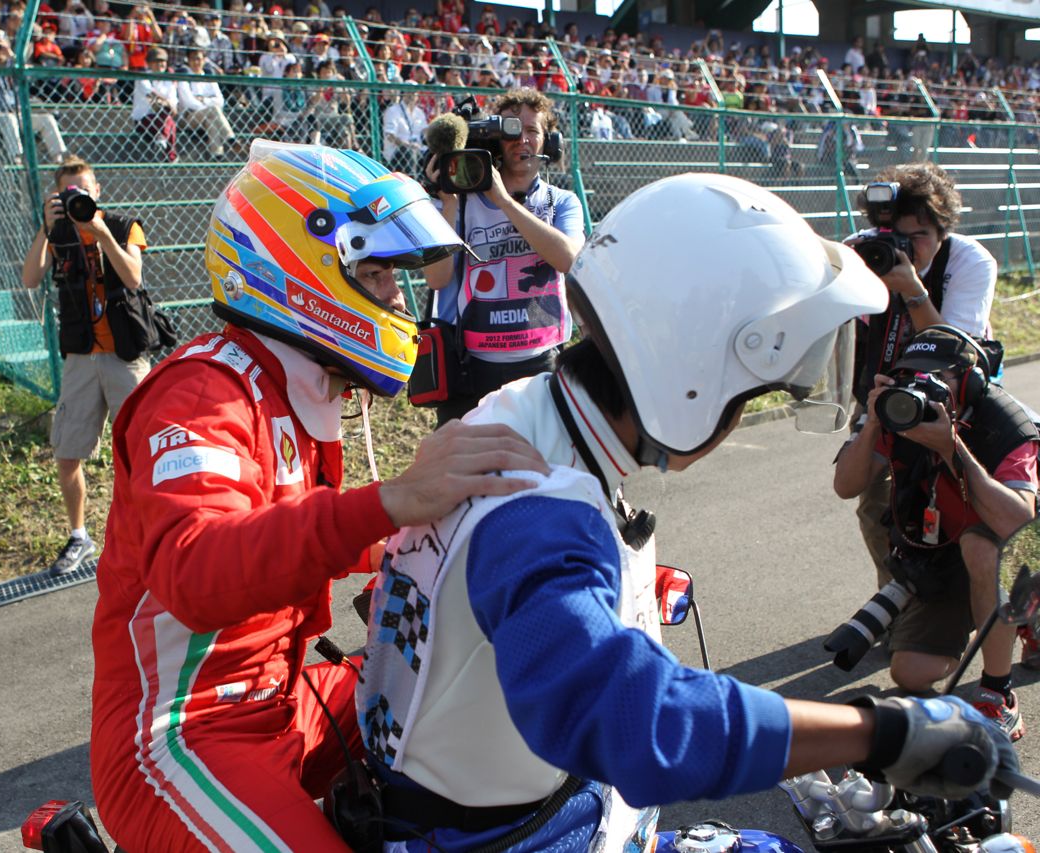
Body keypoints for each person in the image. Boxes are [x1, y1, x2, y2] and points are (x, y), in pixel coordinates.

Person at [354, 173, 1018, 851]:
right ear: (693, 375)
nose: (737, 419)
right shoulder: (540, 505)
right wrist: (879, 731)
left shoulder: (524, 413)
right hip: (507, 834)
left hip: (482, 803)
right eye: (748, 396)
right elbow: (632, 722)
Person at [89, 141, 551, 851]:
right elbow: (195, 570)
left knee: (477, 680)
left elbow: (321, 534)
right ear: (303, 270)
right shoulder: (202, 393)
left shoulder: (298, 388)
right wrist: (390, 501)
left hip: (285, 698)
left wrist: (498, 535)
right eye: (376, 272)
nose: (399, 297)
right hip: (180, 734)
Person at [835, 326, 1038, 740]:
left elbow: (1018, 526)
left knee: (982, 546)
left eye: (939, 377)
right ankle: (991, 614)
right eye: (913, 375)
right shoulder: (900, 415)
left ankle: (999, 695)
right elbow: (846, 486)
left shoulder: (1009, 427)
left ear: (970, 381)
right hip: (948, 553)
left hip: (1023, 548)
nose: (923, 386)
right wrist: (873, 424)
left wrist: (951, 448)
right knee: (910, 673)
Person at [845, 163, 999, 589]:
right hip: (885, 390)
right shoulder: (860, 254)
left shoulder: (969, 260)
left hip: (959, 394)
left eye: (918, 237)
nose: (903, 249)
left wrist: (911, 289)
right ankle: (897, 606)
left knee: (971, 502)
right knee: (877, 505)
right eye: (892, 236)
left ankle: (974, 597)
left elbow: (955, 350)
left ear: (943, 232)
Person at [20, 156, 151, 577]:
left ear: (97, 191)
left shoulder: (124, 224)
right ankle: (80, 536)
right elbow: (30, 278)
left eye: (83, 189)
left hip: (124, 355)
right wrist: (45, 226)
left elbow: (132, 278)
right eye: (68, 192)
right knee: (67, 452)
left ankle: (147, 532)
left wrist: (100, 234)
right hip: (80, 357)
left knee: (142, 449)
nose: (78, 197)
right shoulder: (56, 233)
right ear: (58, 197)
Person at [423, 88, 585, 426]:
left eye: (532, 131)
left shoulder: (561, 202)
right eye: (512, 130)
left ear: (548, 143)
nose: (521, 140)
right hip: (474, 367)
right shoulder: (461, 204)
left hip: (541, 363)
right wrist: (449, 201)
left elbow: (570, 260)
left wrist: (505, 202)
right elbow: (437, 280)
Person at [0, 33, 68, 165]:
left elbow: (27, 75)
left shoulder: (14, 64)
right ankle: (16, 158)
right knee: (9, 119)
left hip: (18, 114)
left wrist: (10, 53)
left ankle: (58, 160)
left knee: (47, 119)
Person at [176, 48, 236, 159]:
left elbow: (220, 101)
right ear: (188, 60)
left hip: (209, 115)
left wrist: (203, 100)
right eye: (193, 59)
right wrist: (209, 104)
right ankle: (229, 137)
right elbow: (189, 102)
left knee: (211, 119)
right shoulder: (184, 77)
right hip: (188, 117)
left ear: (204, 60)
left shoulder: (208, 77)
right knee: (213, 110)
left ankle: (217, 154)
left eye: (199, 59)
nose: (196, 62)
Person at [130, 48, 178, 161]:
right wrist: (166, 102)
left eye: (163, 61)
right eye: (156, 61)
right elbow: (151, 95)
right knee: (168, 121)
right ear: (149, 64)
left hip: (163, 118)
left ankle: (162, 139)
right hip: (143, 120)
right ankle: (171, 154)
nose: (160, 64)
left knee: (169, 120)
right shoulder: (143, 78)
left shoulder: (168, 81)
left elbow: (173, 106)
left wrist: (165, 102)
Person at [381, 85, 429, 176]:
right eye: (409, 92)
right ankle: (413, 182)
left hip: (418, 148)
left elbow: (424, 132)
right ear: (403, 93)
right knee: (409, 151)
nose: (411, 95)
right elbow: (390, 136)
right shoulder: (393, 111)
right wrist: (408, 145)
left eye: (414, 92)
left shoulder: (419, 112)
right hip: (397, 151)